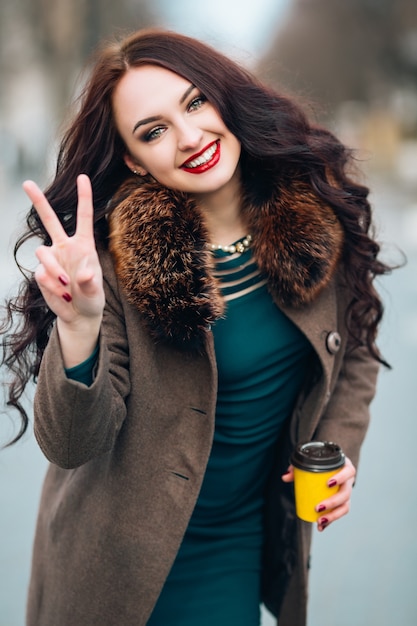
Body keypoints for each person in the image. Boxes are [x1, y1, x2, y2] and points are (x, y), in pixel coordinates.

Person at [1, 28, 391, 626]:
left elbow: (356, 343)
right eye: (153, 131)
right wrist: (78, 325)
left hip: (235, 550)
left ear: (225, 100)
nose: (188, 138)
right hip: (116, 569)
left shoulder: (312, 212)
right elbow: (73, 444)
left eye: (195, 103)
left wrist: (337, 448)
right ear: (134, 159)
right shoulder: (112, 269)